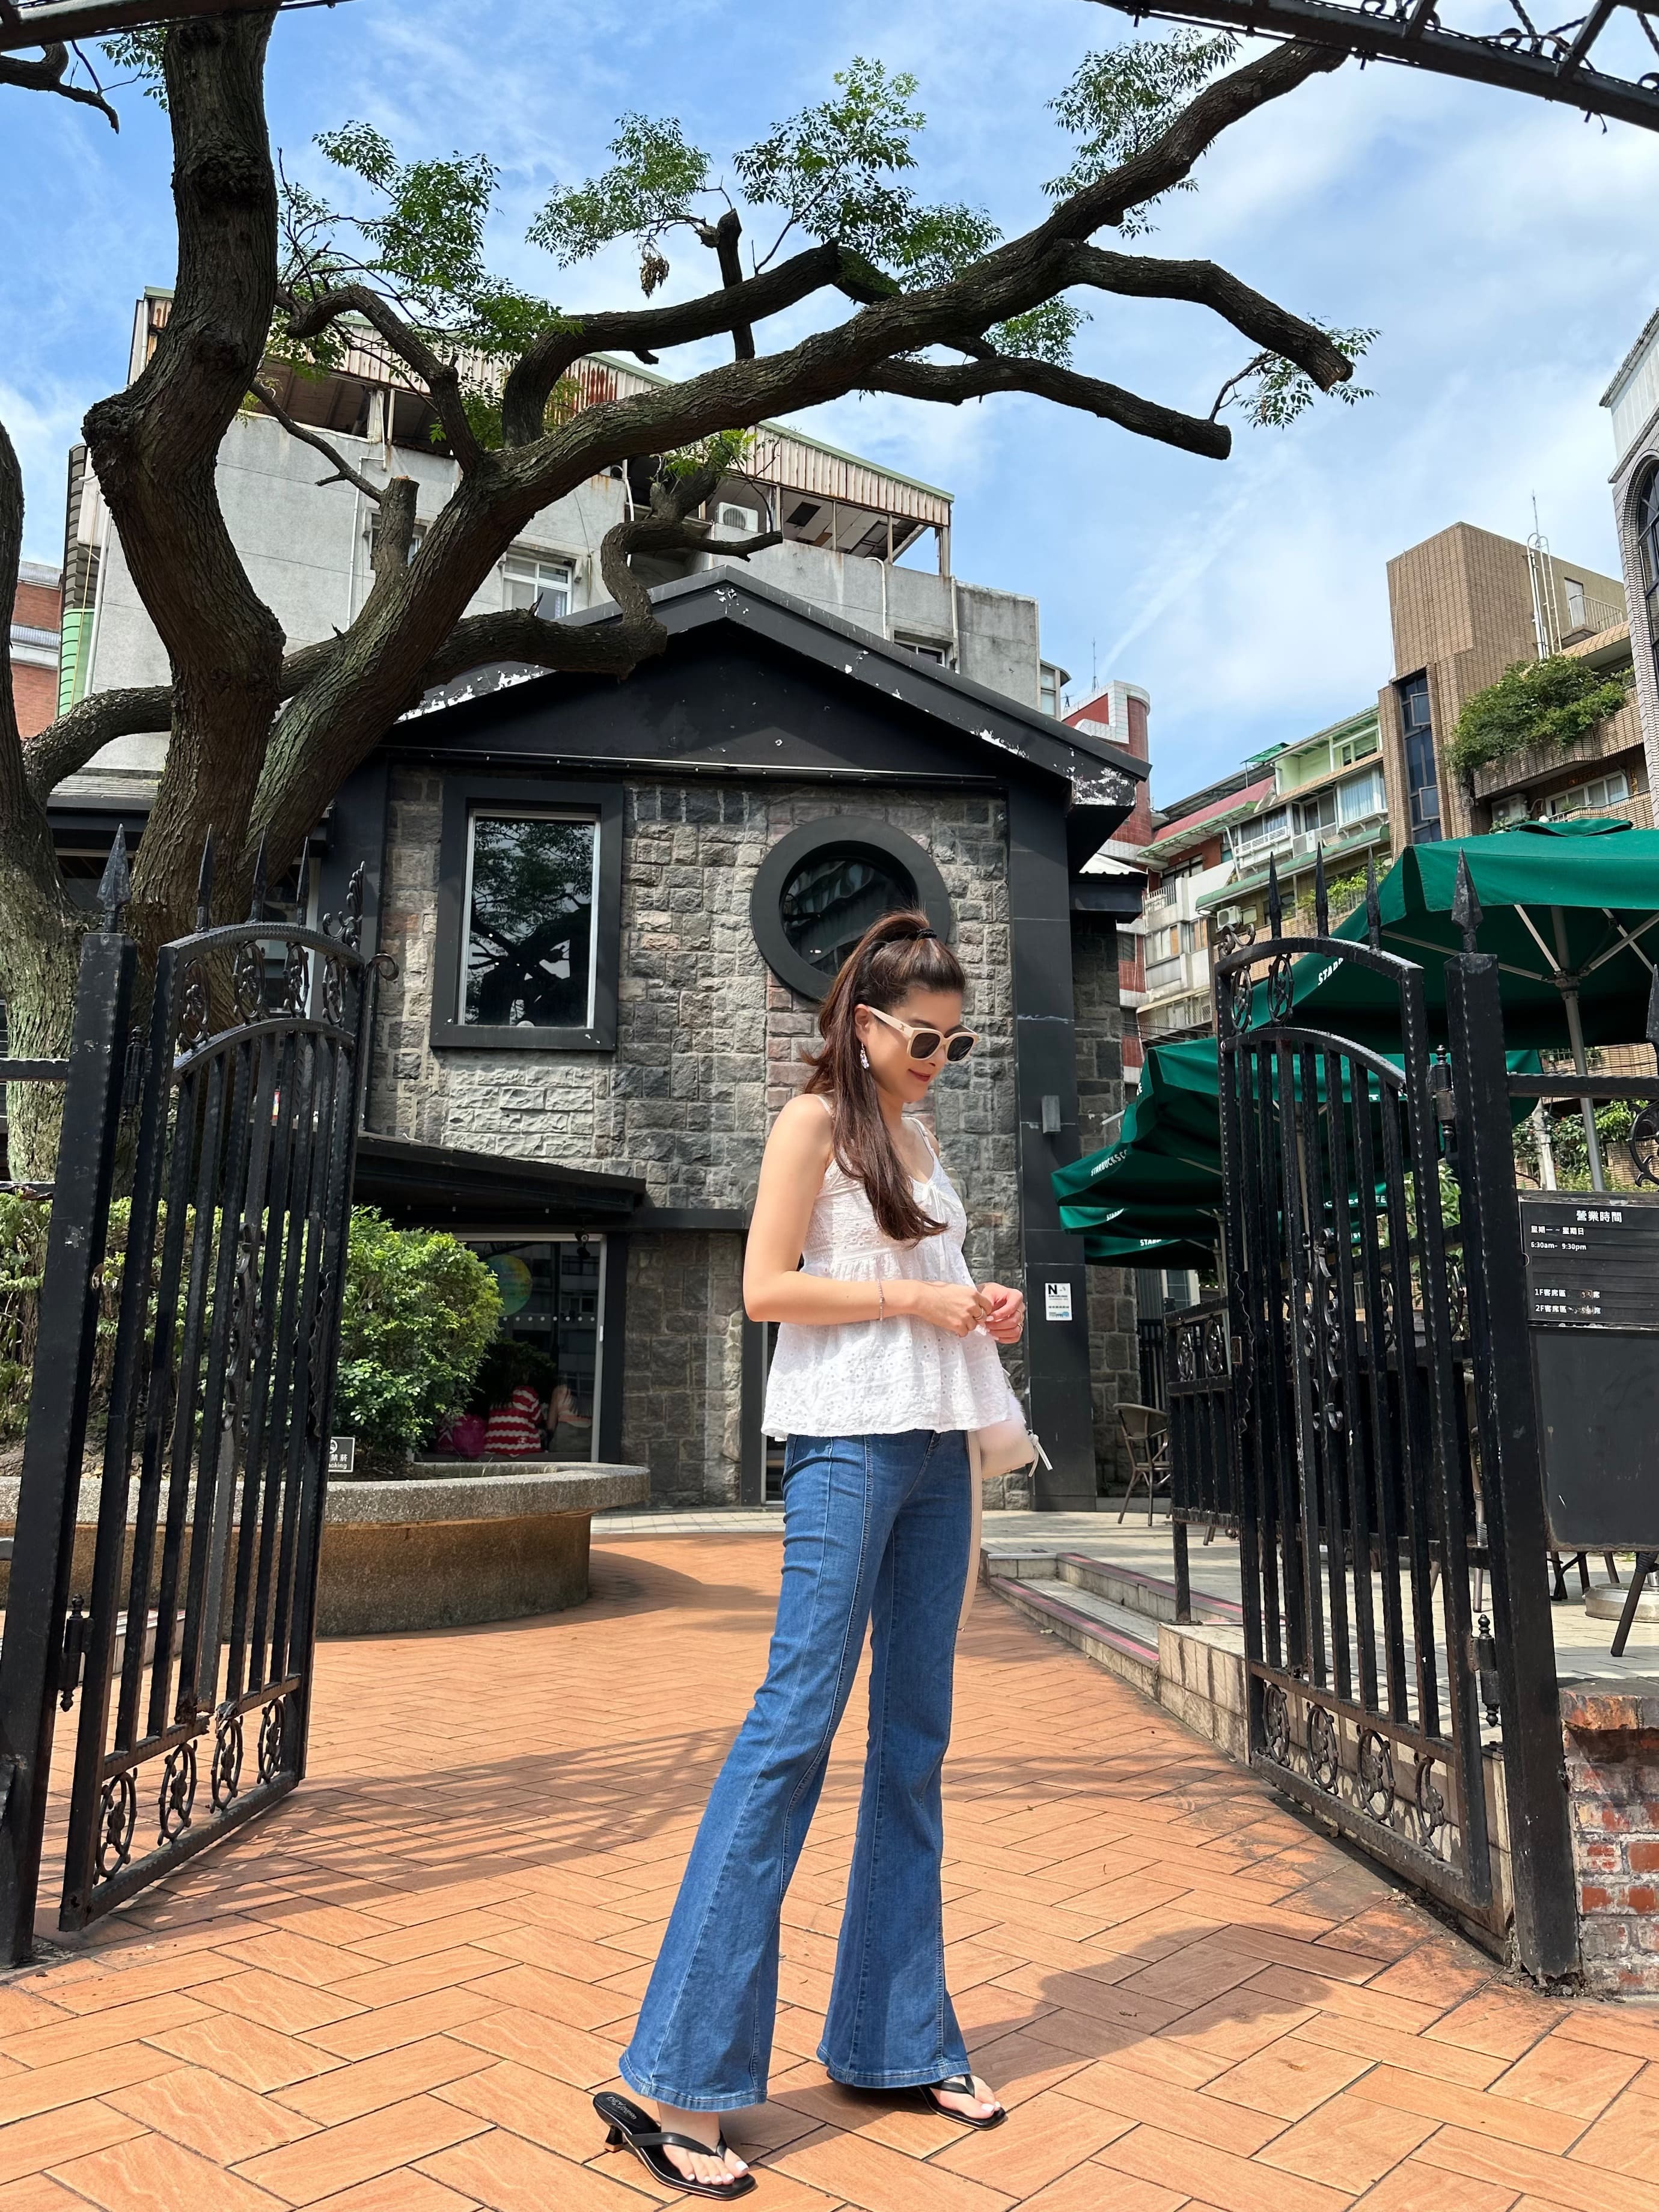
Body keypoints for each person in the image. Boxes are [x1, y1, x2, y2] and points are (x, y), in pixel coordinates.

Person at [594, 911, 1025, 2198]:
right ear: (863, 1022)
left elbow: (928, 1292)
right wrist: (913, 1295)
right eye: (923, 1038)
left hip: (939, 1448)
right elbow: (764, 1289)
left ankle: (896, 2039)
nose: (939, 1059)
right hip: (846, 1448)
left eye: (957, 1042)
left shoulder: (920, 1141)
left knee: (916, 1739)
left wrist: (979, 1303)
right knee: (792, 1729)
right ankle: (680, 2075)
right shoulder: (814, 1126)